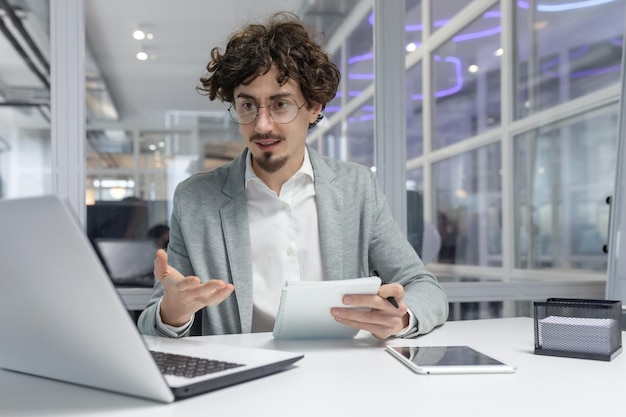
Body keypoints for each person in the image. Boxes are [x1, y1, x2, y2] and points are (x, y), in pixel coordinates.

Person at [137, 11, 448, 340]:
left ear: (313, 107)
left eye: (280, 104)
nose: (262, 125)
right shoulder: (196, 199)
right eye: (247, 106)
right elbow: (153, 318)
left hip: (339, 376)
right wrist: (173, 312)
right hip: (241, 380)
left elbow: (424, 287)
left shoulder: (356, 188)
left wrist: (401, 318)